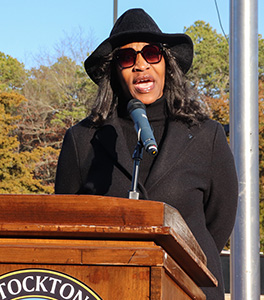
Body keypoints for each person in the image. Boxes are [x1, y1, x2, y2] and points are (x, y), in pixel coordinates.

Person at [54, 8, 238, 300]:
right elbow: (64, 226)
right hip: (109, 288)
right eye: (127, 58)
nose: (140, 65)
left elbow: (219, 220)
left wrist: (183, 260)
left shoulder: (207, 135)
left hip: (192, 288)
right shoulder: (82, 140)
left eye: (151, 53)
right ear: (115, 70)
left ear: (167, 63)